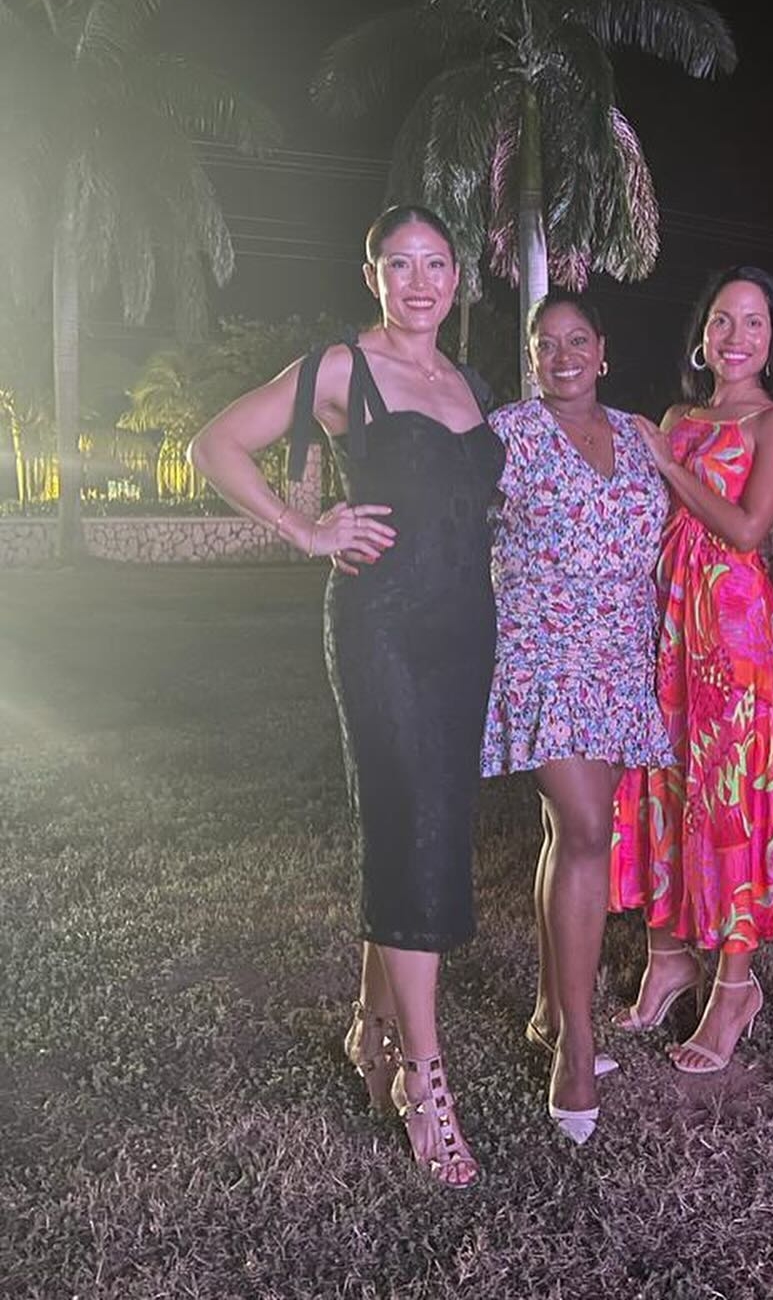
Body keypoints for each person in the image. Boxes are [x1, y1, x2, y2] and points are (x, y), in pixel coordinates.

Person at [190, 205, 504, 1187]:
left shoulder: (469, 383)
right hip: (383, 631)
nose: (420, 282)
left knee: (423, 825)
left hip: (466, 634)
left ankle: (370, 1025)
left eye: (436, 264)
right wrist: (304, 529)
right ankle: (425, 1079)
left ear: (458, 277)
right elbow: (215, 444)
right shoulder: (342, 369)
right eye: (399, 265)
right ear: (371, 276)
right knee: (412, 825)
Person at [480, 294, 674, 1144]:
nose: (562, 356)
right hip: (542, 652)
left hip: (621, 655)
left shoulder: (638, 434)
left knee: (570, 836)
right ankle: (579, 1043)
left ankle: (547, 1012)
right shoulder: (507, 434)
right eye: (545, 344)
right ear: (532, 358)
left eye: (577, 341)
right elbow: (449, 520)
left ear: (603, 352)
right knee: (589, 828)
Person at [611, 266, 773, 1073]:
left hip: (732, 628)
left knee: (728, 794)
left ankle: (734, 986)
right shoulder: (677, 417)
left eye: (755, 322)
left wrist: (668, 466)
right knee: (662, 780)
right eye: (723, 319)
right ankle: (667, 959)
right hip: (667, 622)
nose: (736, 336)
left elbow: (748, 529)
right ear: (703, 333)